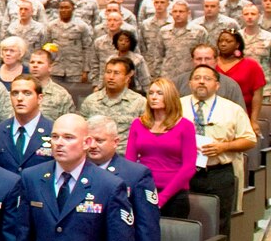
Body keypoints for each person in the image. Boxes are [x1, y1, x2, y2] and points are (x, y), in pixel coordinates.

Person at [87, 115, 162, 241]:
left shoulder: (136, 174)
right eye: (89, 140)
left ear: (115, 142)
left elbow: (148, 227)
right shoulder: (75, 171)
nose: (93, 146)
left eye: (100, 140)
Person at [182, 66, 257, 231]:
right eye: (197, 78)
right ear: (190, 83)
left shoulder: (232, 109)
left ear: (217, 85)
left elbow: (250, 140)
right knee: (183, 219)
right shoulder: (176, 106)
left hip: (218, 172)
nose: (201, 81)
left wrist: (224, 147)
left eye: (207, 78)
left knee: (221, 223)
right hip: (182, 171)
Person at [124, 79, 196, 218]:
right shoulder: (138, 124)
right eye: (151, 93)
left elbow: (189, 167)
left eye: (159, 93)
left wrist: (162, 198)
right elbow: (130, 162)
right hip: (143, 191)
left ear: (169, 96)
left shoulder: (185, 126)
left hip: (174, 195)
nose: (154, 97)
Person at [0, 75, 54, 174]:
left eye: (27, 93)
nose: (19, 98)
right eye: (15, 93)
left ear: (40, 98)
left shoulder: (53, 131)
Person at [79, 58, 146, 152]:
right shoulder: (91, 101)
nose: (111, 77)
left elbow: (145, 136)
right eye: (108, 72)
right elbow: (81, 131)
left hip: (125, 157)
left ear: (127, 77)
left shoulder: (140, 102)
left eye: (116, 73)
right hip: (94, 156)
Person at [214, 29, 265, 130]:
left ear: (237, 44)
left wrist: (253, 121)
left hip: (242, 115)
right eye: (221, 41)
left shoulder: (251, 65)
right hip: (214, 115)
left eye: (228, 41)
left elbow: (257, 95)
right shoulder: (211, 63)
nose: (223, 44)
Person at [28, 47, 76, 121]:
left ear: (50, 67)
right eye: (32, 62)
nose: (35, 65)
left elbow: (69, 123)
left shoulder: (61, 95)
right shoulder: (20, 90)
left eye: (39, 63)